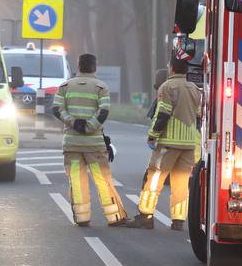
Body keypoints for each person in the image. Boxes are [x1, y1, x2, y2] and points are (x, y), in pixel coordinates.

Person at [53, 53, 127, 227]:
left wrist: (73, 122)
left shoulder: (65, 86)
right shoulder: (101, 87)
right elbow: (104, 111)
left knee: (77, 182)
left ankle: (82, 217)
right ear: (95, 67)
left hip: (72, 144)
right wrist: (90, 127)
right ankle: (114, 217)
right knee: (103, 180)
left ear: (78, 66)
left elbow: (56, 109)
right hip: (94, 144)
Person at [129, 56, 203, 230]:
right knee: (181, 182)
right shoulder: (195, 89)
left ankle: (145, 215)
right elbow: (199, 116)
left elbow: (163, 113)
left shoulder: (167, 87)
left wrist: (153, 135)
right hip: (188, 144)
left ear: (171, 68)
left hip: (168, 143)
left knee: (154, 179)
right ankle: (178, 220)